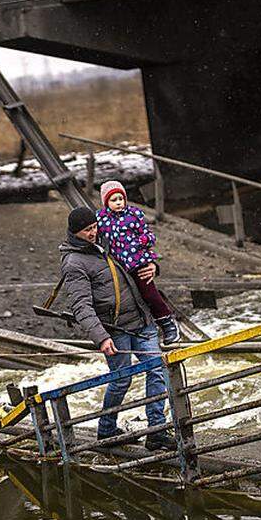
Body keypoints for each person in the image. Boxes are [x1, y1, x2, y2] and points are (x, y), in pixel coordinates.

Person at [59, 206, 178, 451]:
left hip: (142, 321)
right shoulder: (74, 263)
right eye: (86, 231)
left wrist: (154, 266)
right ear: (74, 233)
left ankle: (157, 431)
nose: (92, 233)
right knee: (122, 380)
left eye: (93, 227)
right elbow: (81, 306)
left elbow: (138, 257)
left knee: (157, 371)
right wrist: (101, 337)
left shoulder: (109, 241)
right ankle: (106, 430)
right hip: (114, 329)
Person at [97, 180, 180, 346]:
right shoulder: (101, 219)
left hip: (137, 261)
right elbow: (95, 236)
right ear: (106, 202)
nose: (119, 203)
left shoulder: (134, 214)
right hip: (118, 265)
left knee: (149, 293)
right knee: (128, 297)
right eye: (114, 200)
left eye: (121, 199)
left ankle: (168, 323)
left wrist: (141, 241)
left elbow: (149, 235)